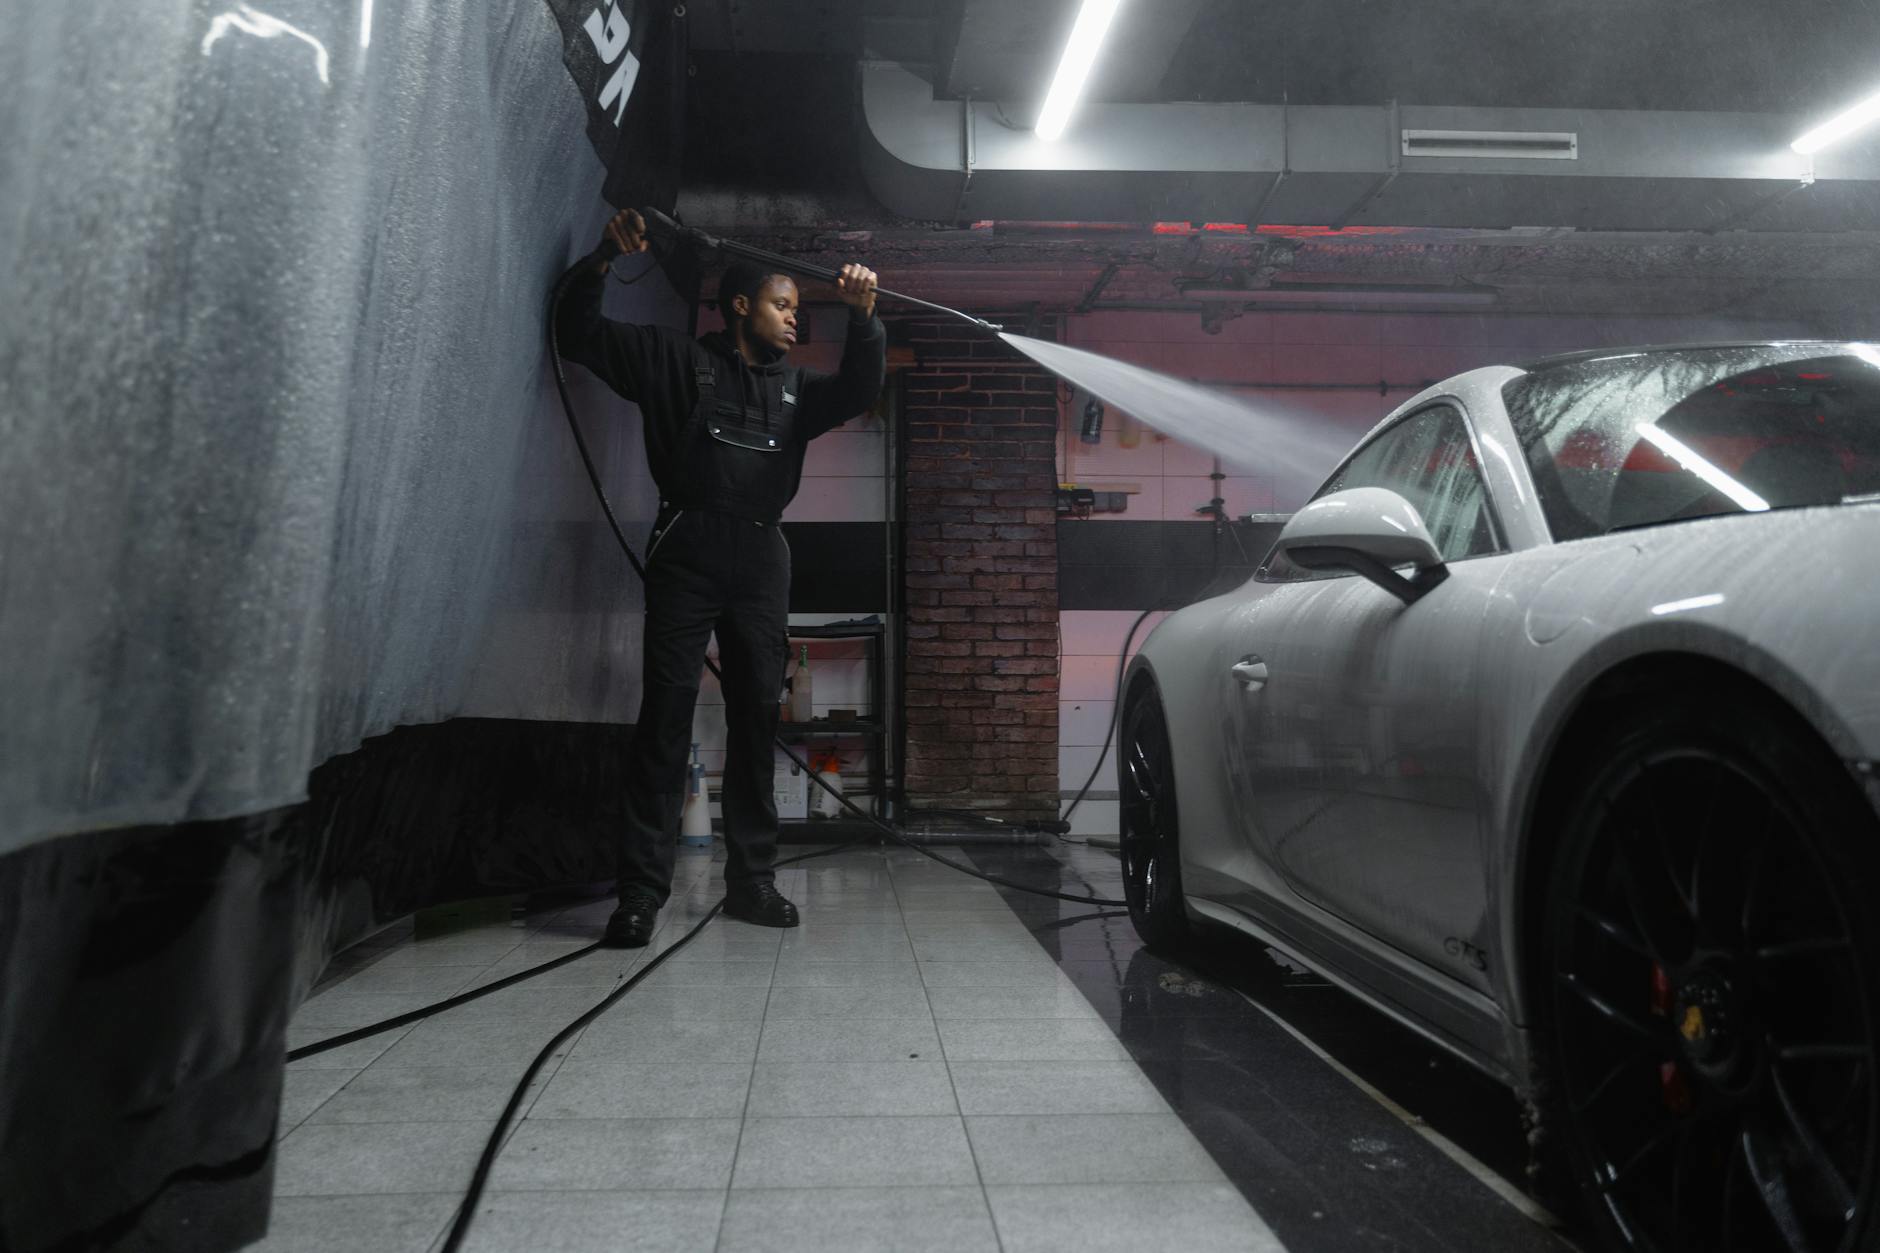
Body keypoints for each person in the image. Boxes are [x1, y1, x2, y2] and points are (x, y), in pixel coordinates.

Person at [556, 208, 884, 947]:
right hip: (688, 552)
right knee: (664, 721)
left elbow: (860, 387)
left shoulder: (797, 393)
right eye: (782, 304)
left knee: (755, 722)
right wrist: (605, 258)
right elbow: (580, 336)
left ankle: (753, 882)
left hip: (762, 561)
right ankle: (639, 894)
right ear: (740, 305)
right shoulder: (673, 362)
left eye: (798, 309)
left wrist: (865, 318)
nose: (795, 320)